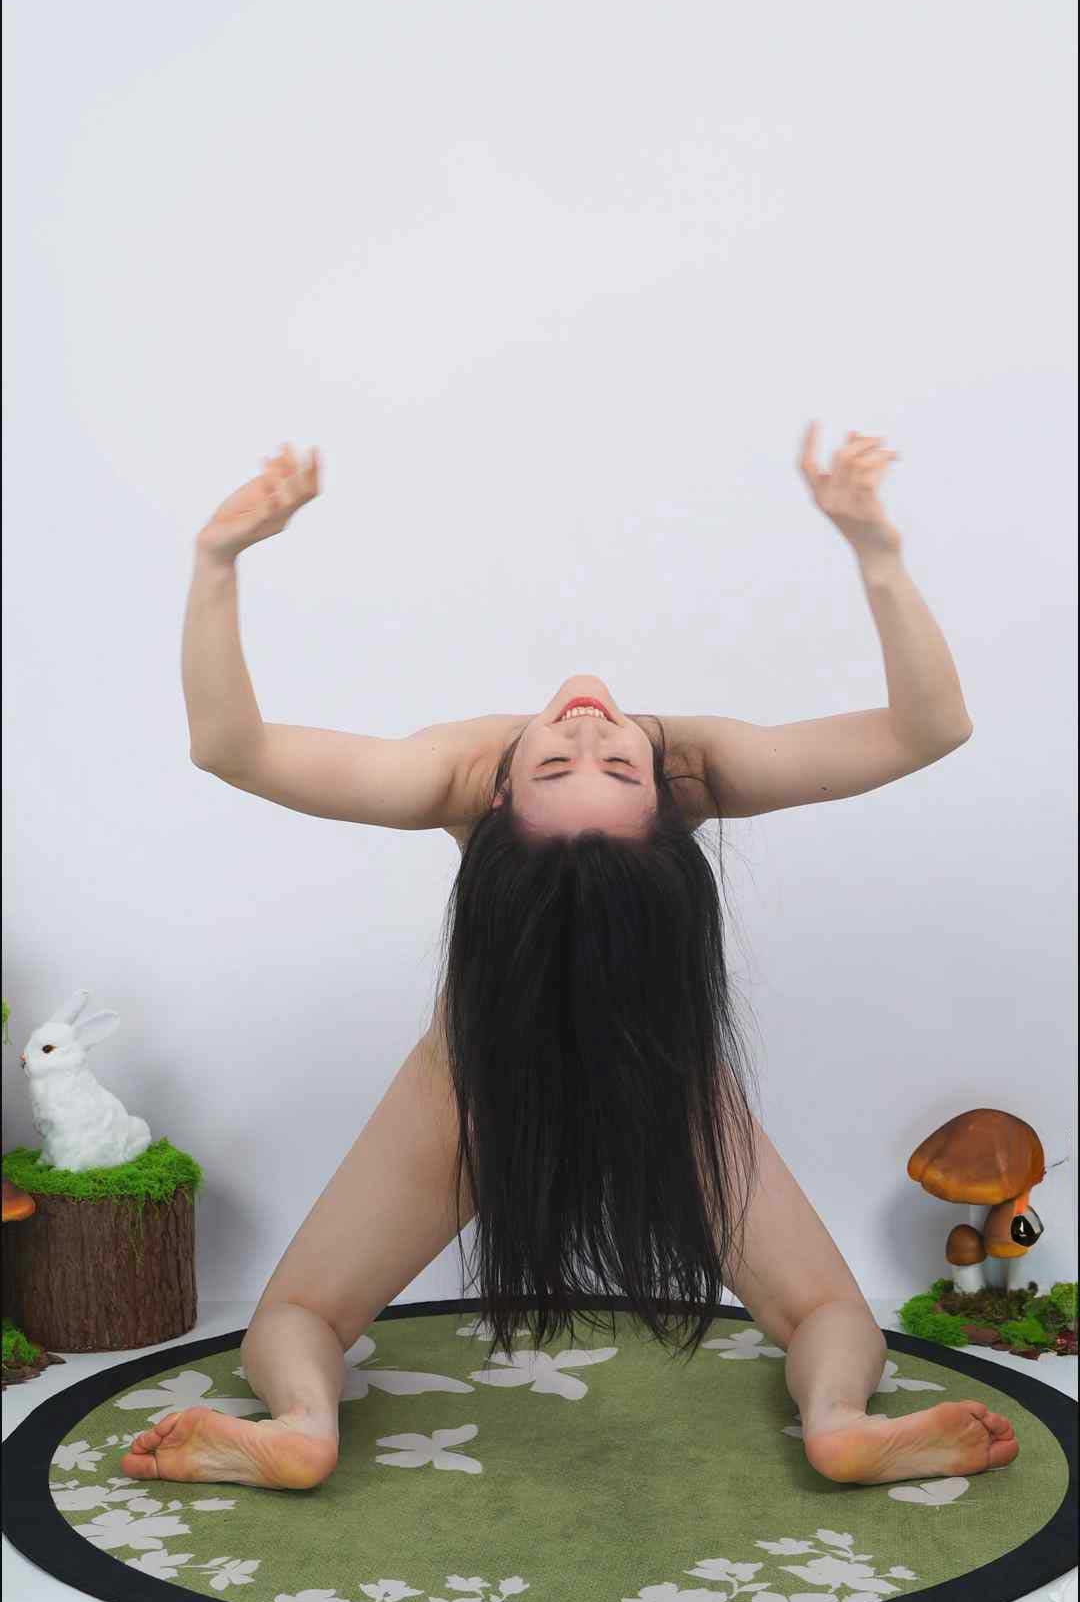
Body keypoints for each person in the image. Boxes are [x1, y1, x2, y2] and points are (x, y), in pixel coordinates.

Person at [122, 440, 1017, 1494]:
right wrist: (217, 557)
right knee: (822, 1311)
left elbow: (931, 730)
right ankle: (837, 1419)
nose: (590, 732)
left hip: (502, 1083)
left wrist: (879, 553)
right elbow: (233, 749)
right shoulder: (661, 763)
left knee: (299, 1317)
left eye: (610, 760)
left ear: (664, 808)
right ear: (503, 800)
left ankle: (305, 1426)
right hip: (562, 1079)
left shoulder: (477, 769)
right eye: (563, 761)